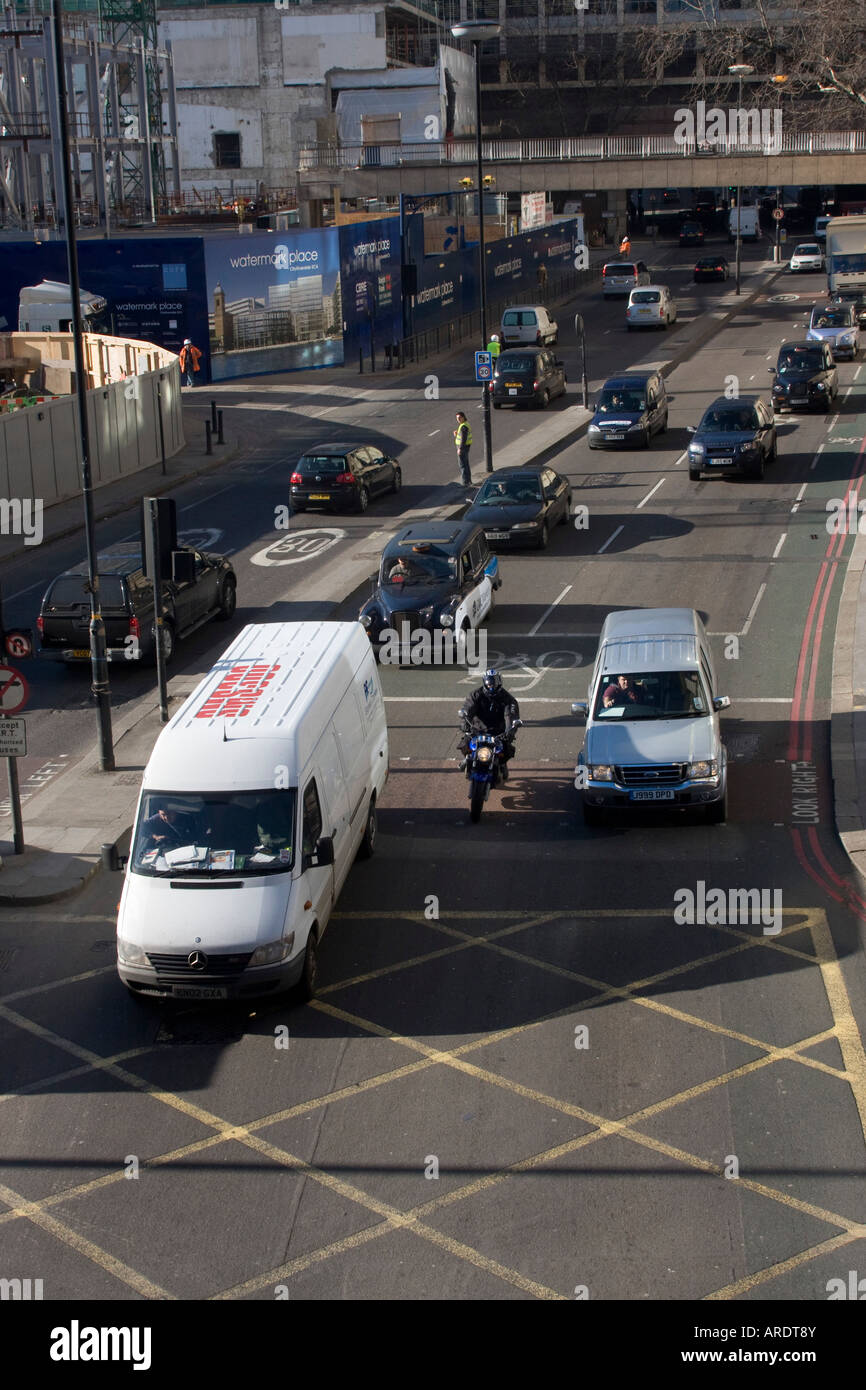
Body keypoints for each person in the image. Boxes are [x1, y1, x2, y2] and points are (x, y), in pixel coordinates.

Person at [458, 669, 520, 777]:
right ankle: (467, 758)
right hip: (478, 728)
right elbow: (468, 707)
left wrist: (510, 730)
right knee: (465, 743)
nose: (491, 686)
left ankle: (502, 764)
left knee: (507, 749)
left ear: (499, 682)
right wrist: (465, 720)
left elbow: (510, 716)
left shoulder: (508, 699)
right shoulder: (475, 694)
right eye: (489, 683)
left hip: (498, 731)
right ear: (484, 682)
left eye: (493, 683)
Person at [454, 411, 472, 486]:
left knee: (462, 465)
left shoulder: (463, 426)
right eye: (457, 418)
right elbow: (462, 436)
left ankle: (465, 483)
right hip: (466, 447)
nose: (458, 419)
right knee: (466, 464)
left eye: (459, 418)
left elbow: (463, 439)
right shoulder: (465, 424)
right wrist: (457, 434)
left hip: (463, 448)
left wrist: (460, 449)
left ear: (463, 417)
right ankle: (469, 481)